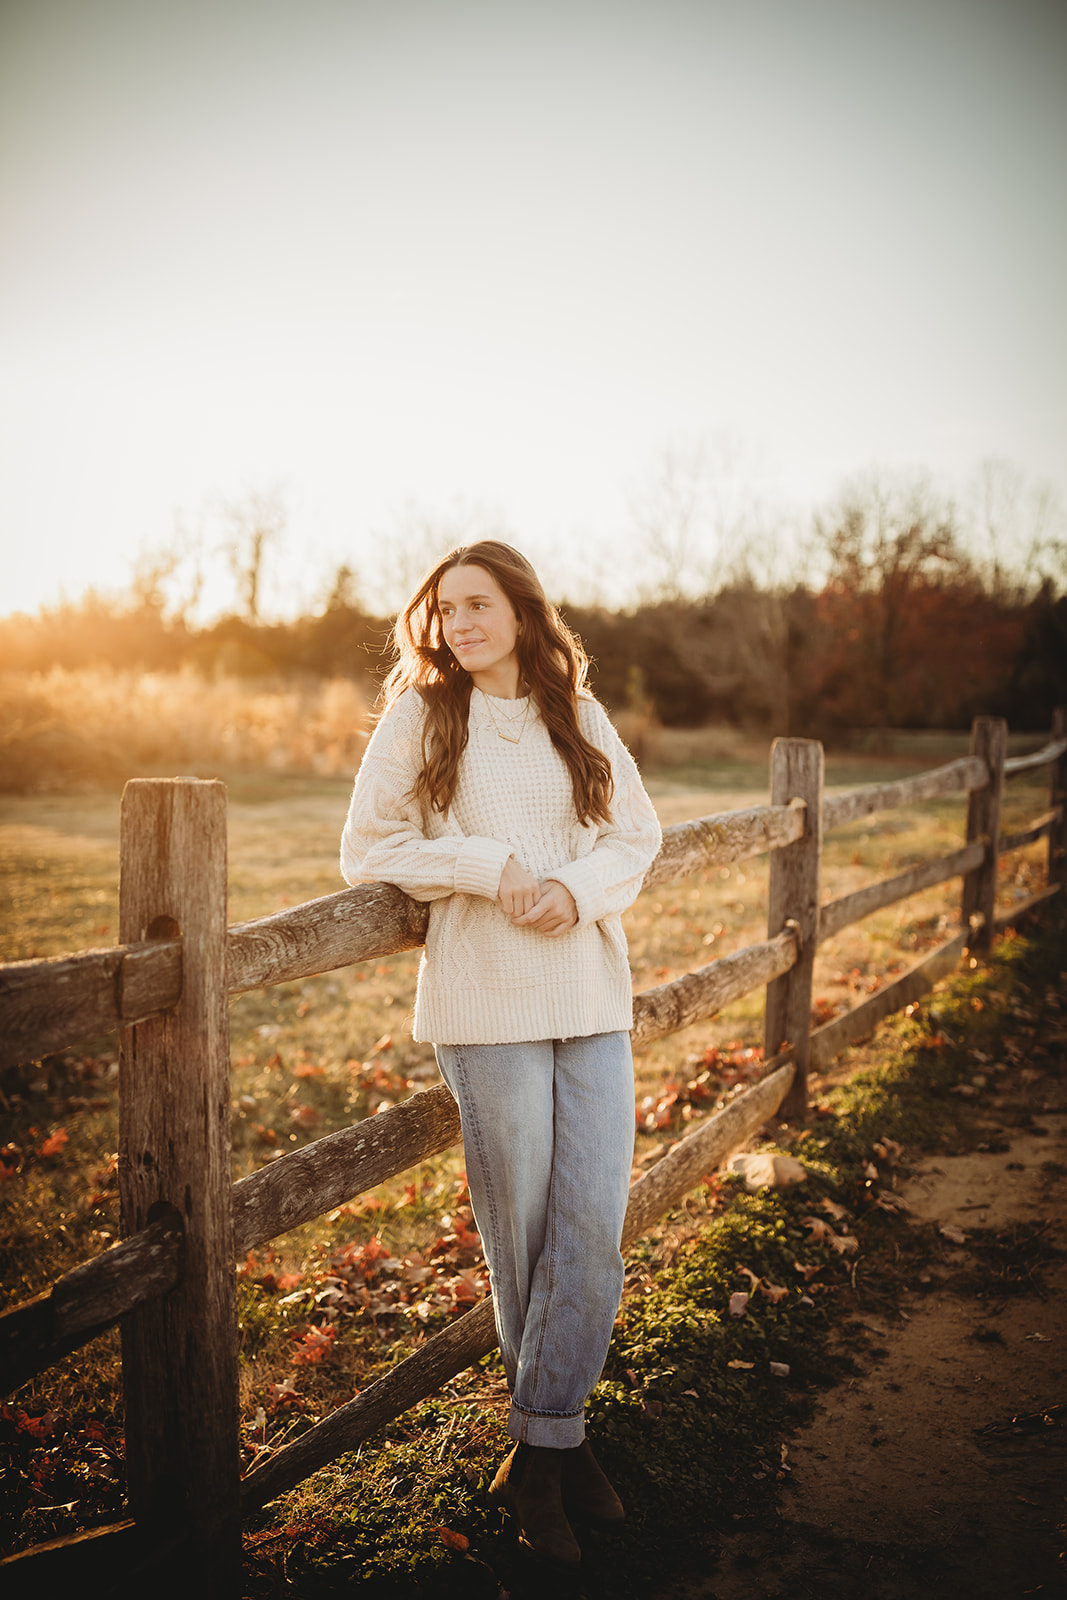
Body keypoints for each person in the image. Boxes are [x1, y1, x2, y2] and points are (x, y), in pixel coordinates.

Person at [340, 540, 662, 1566]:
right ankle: (557, 1448)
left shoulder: (577, 714)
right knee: (522, 1236)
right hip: (484, 1007)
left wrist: (575, 888)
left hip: (589, 990)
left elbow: (635, 837)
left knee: (592, 1229)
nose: (456, 624)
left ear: (522, 611)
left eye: (476, 604)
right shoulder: (423, 715)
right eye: (442, 611)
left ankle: (541, 1444)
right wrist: (486, 864)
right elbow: (367, 848)